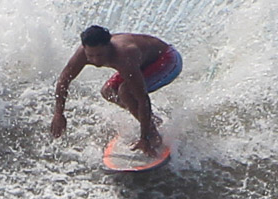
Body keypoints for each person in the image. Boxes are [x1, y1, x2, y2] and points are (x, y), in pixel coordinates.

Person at [51, 26, 182, 154]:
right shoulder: (82, 54)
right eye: (91, 55)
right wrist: (58, 114)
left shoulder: (124, 55)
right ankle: (150, 121)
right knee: (108, 91)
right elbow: (63, 80)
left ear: (108, 46)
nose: (96, 60)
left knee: (125, 91)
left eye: (100, 55)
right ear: (84, 48)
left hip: (167, 59)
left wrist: (144, 137)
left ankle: (152, 134)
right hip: (140, 64)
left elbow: (143, 99)